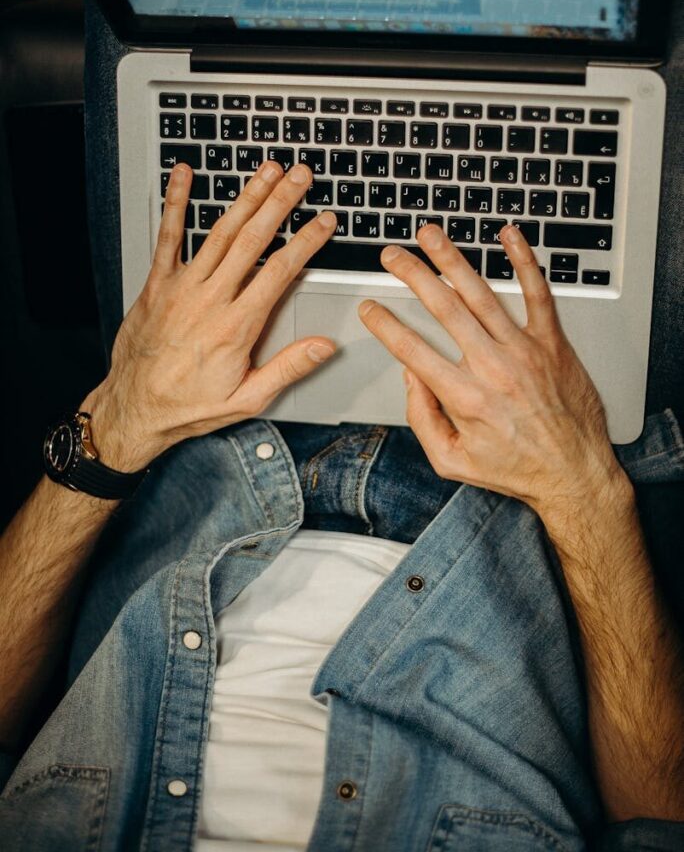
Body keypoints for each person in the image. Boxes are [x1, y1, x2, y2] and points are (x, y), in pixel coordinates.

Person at [0, 132, 683, 851]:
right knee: (626, 114)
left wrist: (114, 425)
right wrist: (582, 493)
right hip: (528, 481)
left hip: (183, 428)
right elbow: (661, 823)